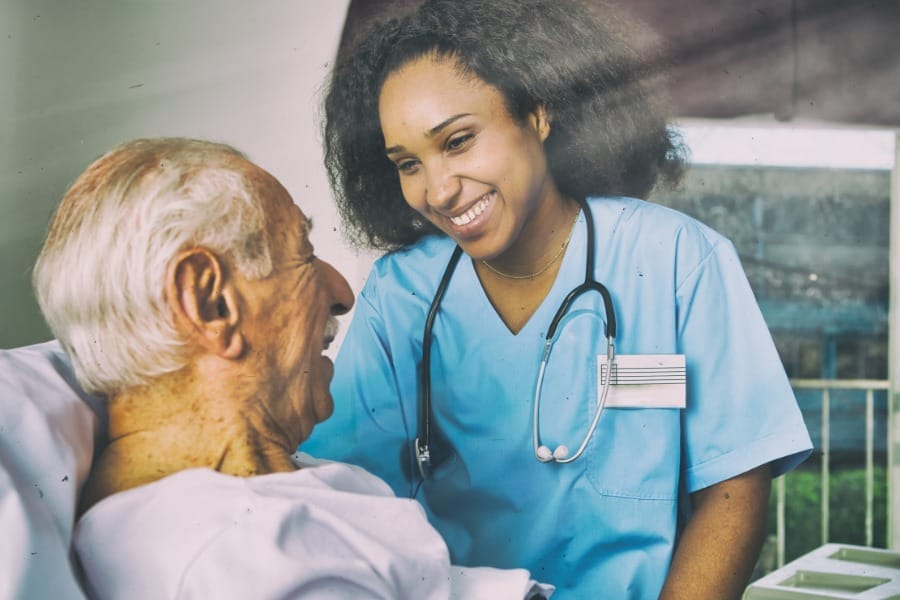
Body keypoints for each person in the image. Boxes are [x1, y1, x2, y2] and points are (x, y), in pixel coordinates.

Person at [301, 0, 813, 598]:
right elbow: (342, 489)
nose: (437, 190)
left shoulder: (675, 259)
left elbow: (734, 488)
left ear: (538, 113)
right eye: (408, 163)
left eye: (460, 140)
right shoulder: (403, 294)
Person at [32, 137, 552, 599]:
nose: (343, 294)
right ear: (211, 304)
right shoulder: (239, 560)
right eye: (303, 254)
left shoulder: (251, 495)